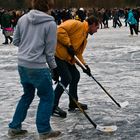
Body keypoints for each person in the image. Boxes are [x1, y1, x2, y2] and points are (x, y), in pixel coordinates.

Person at [8, 0, 61, 139]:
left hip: (22, 65)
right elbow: (50, 52)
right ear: (49, 6)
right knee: (47, 97)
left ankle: (14, 127)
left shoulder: (23, 19)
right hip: (38, 67)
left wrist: (28, 45)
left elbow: (16, 41)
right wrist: (54, 68)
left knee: (27, 95)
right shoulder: (50, 24)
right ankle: (44, 130)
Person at [52, 15, 99, 118]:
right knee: (66, 78)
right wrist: (68, 45)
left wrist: (84, 66)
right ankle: (52, 105)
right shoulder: (76, 24)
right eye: (97, 27)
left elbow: (77, 54)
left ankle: (73, 102)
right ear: (92, 24)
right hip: (58, 54)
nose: (96, 31)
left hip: (68, 58)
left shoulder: (84, 36)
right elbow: (59, 30)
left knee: (75, 75)